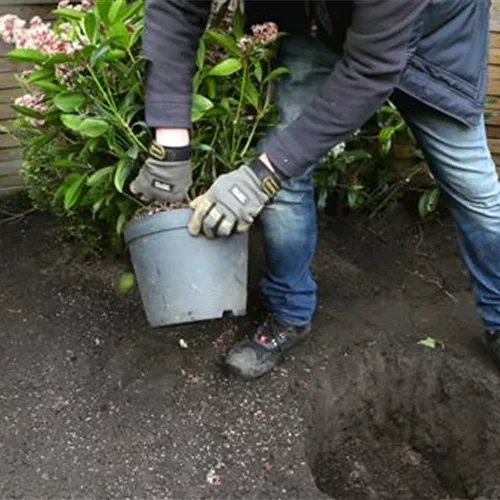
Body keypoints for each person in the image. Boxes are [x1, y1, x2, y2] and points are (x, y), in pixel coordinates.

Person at [131, 0, 500, 379]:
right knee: (281, 163)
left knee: (475, 192)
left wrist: (263, 176)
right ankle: (289, 311)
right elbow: (176, 5)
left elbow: (372, 69)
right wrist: (170, 138)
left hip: (437, 43)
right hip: (322, 24)